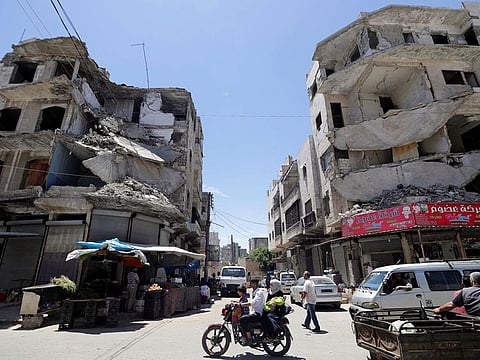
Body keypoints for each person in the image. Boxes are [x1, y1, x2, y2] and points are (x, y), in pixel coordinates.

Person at [239, 279, 265, 345]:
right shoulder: (253, 292)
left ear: (255, 284)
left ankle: (249, 338)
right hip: (254, 312)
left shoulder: (259, 292)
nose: (250, 284)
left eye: (252, 283)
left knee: (242, 319)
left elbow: (253, 303)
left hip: (258, 313)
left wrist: (241, 305)